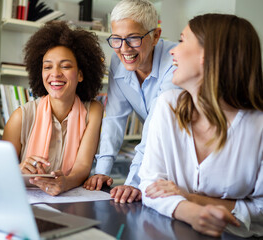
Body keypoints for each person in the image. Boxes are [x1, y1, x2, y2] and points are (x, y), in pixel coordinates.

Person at [138, 13, 263, 237]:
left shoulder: (259, 126)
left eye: (183, 40)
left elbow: (261, 210)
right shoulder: (167, 105)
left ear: (208, 54)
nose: (172, 51)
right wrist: (191, 213)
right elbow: (150, 185)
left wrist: (192, 198)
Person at [83, 0, 178, 203]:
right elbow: (114, 118)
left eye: (133, 38)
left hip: (181, 156)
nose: (123, 48)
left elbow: (155, 128)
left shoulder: (174, 62)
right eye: (116, 39)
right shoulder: (118, 61)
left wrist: (133, 182)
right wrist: (101, 173)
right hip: (156, 156)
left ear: (155, 36)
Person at [2, 21, 105, 196]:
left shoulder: (94, 110)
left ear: (81, 74)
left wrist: (65, 183)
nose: (55, 74)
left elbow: (82, 167)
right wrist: (18, 168)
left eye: (65, 66)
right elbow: (0, 170)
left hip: (71, 201)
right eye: (47, 67)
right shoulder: (21, 116)